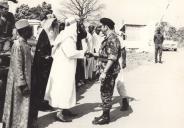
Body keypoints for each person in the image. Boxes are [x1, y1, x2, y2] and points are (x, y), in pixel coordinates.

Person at [44, 17, 87, 122]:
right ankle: (59, 113)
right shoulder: (68, 37)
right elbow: (70, 53)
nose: (77, 28)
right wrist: (83, 53)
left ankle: (65, 109)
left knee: (68, 88)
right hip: (64, 68)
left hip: (64, 66)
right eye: (77, 26)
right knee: (63, 88)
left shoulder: (64, 34)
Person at [87, 18, 121, 125]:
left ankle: (106, 117)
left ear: (106, 26)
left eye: (101, 26)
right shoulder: (108, 38)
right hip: (106, 69)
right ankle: (104, 114)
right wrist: (93, 54)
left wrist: (104, 72)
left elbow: (112, 57)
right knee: (104, 91)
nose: (100, 29)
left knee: (106, 92)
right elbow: (105, 54)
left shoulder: (113, 39)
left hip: (109, 70)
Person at [2, 19, 33, 128]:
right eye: (29, 30)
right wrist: (22, 84)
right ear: (24, 31)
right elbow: (17, 66)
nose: (31, 32)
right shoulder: (18, 45)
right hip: (19, 83)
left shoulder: (25, 44)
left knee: (22, 106)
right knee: (17, 105)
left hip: (25, 80)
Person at [30, 15, 59, 124]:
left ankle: (46, 103)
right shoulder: (44, 32)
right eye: (53, 23)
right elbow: (41, 48)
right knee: (42, 84)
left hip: (47, 63)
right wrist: (45, 56)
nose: (55, 25)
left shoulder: (51, 32)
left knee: (47, 84)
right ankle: (41, 105)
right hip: (42, 64)